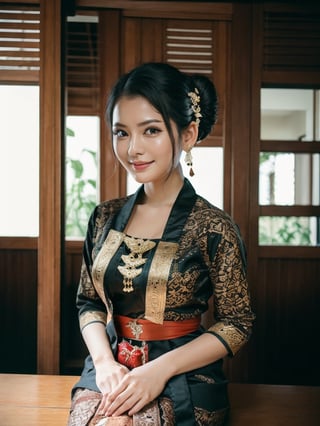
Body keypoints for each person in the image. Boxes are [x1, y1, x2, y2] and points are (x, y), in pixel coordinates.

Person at [68, 62, 255, 426]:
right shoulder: (104, 218)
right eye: (121, 133)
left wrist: (158, 371)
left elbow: (238, 322)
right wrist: (105, 363)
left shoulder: (213, 227)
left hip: (183, 369)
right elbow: (88, 302)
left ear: (187, 135)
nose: (133, 148)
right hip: (111, 364)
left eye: (150, 130)